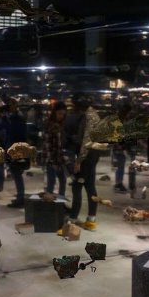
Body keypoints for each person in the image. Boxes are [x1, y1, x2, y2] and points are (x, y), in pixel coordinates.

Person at [69, 93, 101, 231]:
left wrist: (79, 161)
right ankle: (91, 220)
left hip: (87, 156)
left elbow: (86, 141)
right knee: (90, 187)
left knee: (77, 186)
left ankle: (72, 220)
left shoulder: (89, 117)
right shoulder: (94, 115)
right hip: (93, 155)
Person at [5, 98, 27, 208]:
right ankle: (20, 197)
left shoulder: (16, 119)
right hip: (14, 148)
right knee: (16, 174)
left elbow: (18, 135)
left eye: (11, 105)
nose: (10, 107)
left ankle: (20, 199)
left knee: (17, 174)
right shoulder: (14, 118)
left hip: (16, 149)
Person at [43, 101, 67, 197]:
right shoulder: (50, 125)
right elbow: (48, 145)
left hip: (58, 158)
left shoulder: (60, 125)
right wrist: (52, 161)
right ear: (54, 113)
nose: (61, 116)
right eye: (59, 114)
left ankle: (60, 201)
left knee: (62, 180)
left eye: (63, 114)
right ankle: (50, 203)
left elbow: (59, 145)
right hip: (52, 159)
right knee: (51, 182)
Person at [112, 102, 132, 192]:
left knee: (120, 165)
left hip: (120, 146)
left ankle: (119, 183)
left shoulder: (121, 120)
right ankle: (118, 183)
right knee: (120, 166)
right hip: (119, 146)